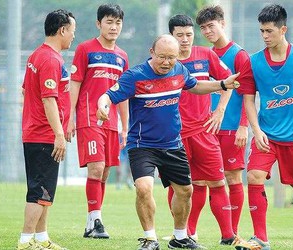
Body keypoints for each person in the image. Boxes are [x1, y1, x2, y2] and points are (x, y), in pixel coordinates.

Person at [96, 34, 240, 250]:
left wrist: (221, 84)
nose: (166, 62)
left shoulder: (180, 70)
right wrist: (102, 106)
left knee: (186, 191)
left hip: (172, 144)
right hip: (142, 145)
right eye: (162, 57)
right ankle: (150, 238)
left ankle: (180, 238)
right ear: (151, 52)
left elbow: (194, 86)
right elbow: (108, 95)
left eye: (171, 58)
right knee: (144, 188)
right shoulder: (135, 76)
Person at [234, 4, 293, 250]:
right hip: (267, 135)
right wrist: (256, 129)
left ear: (283, 29)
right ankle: (260, 238)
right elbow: (248, 99)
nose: (264, 36)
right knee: (253, 176)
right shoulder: (253, 62)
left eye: (269, 31)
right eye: (262, 31)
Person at [166, 14, 238, 245]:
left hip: (204, 132)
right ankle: (183, 233)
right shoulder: (165, 60)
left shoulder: (206, 55)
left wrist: (220, 111)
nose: (185, 40)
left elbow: (229, 81)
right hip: (175, 136)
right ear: (171, 37)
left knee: (217, 182)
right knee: (180, 185)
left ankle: (228, 236)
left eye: (189, 34)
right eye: (180, 35)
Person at [66, 3, 129, 239]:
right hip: (89, 118)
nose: (114, 27)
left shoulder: (122, 56)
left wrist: (125, 126)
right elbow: (75, 85)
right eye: (109, 22)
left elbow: (123, 93)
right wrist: (70, 118)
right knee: (96, 167)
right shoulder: (85, 49)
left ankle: (91, 223)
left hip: (112, 123)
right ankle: (97, 221)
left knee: (104, 174)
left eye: (118, 22)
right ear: (98, 24)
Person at [18, 9, 75, 250]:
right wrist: (59, 134)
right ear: (62, 30)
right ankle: (25, 240)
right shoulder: (51, 59)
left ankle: (41, 239)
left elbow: (25, 91)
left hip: (36, 132)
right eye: (72, 31)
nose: (73, 36)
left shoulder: (37, 55)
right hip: (44, 135)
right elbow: (49, 99)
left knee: (45, 191)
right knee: (39, 190)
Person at [196, 5, 252, 236]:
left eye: (211, 26)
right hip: (206, 127)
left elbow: (249, 93)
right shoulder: (206, 55)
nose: (207, 31)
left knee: (231, 177)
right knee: (199, 180)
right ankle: (189, 231)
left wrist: (243, 126)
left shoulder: (239, 55)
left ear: (223, 24)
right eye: (203, 28)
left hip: (230, 127)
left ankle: (232, 232)